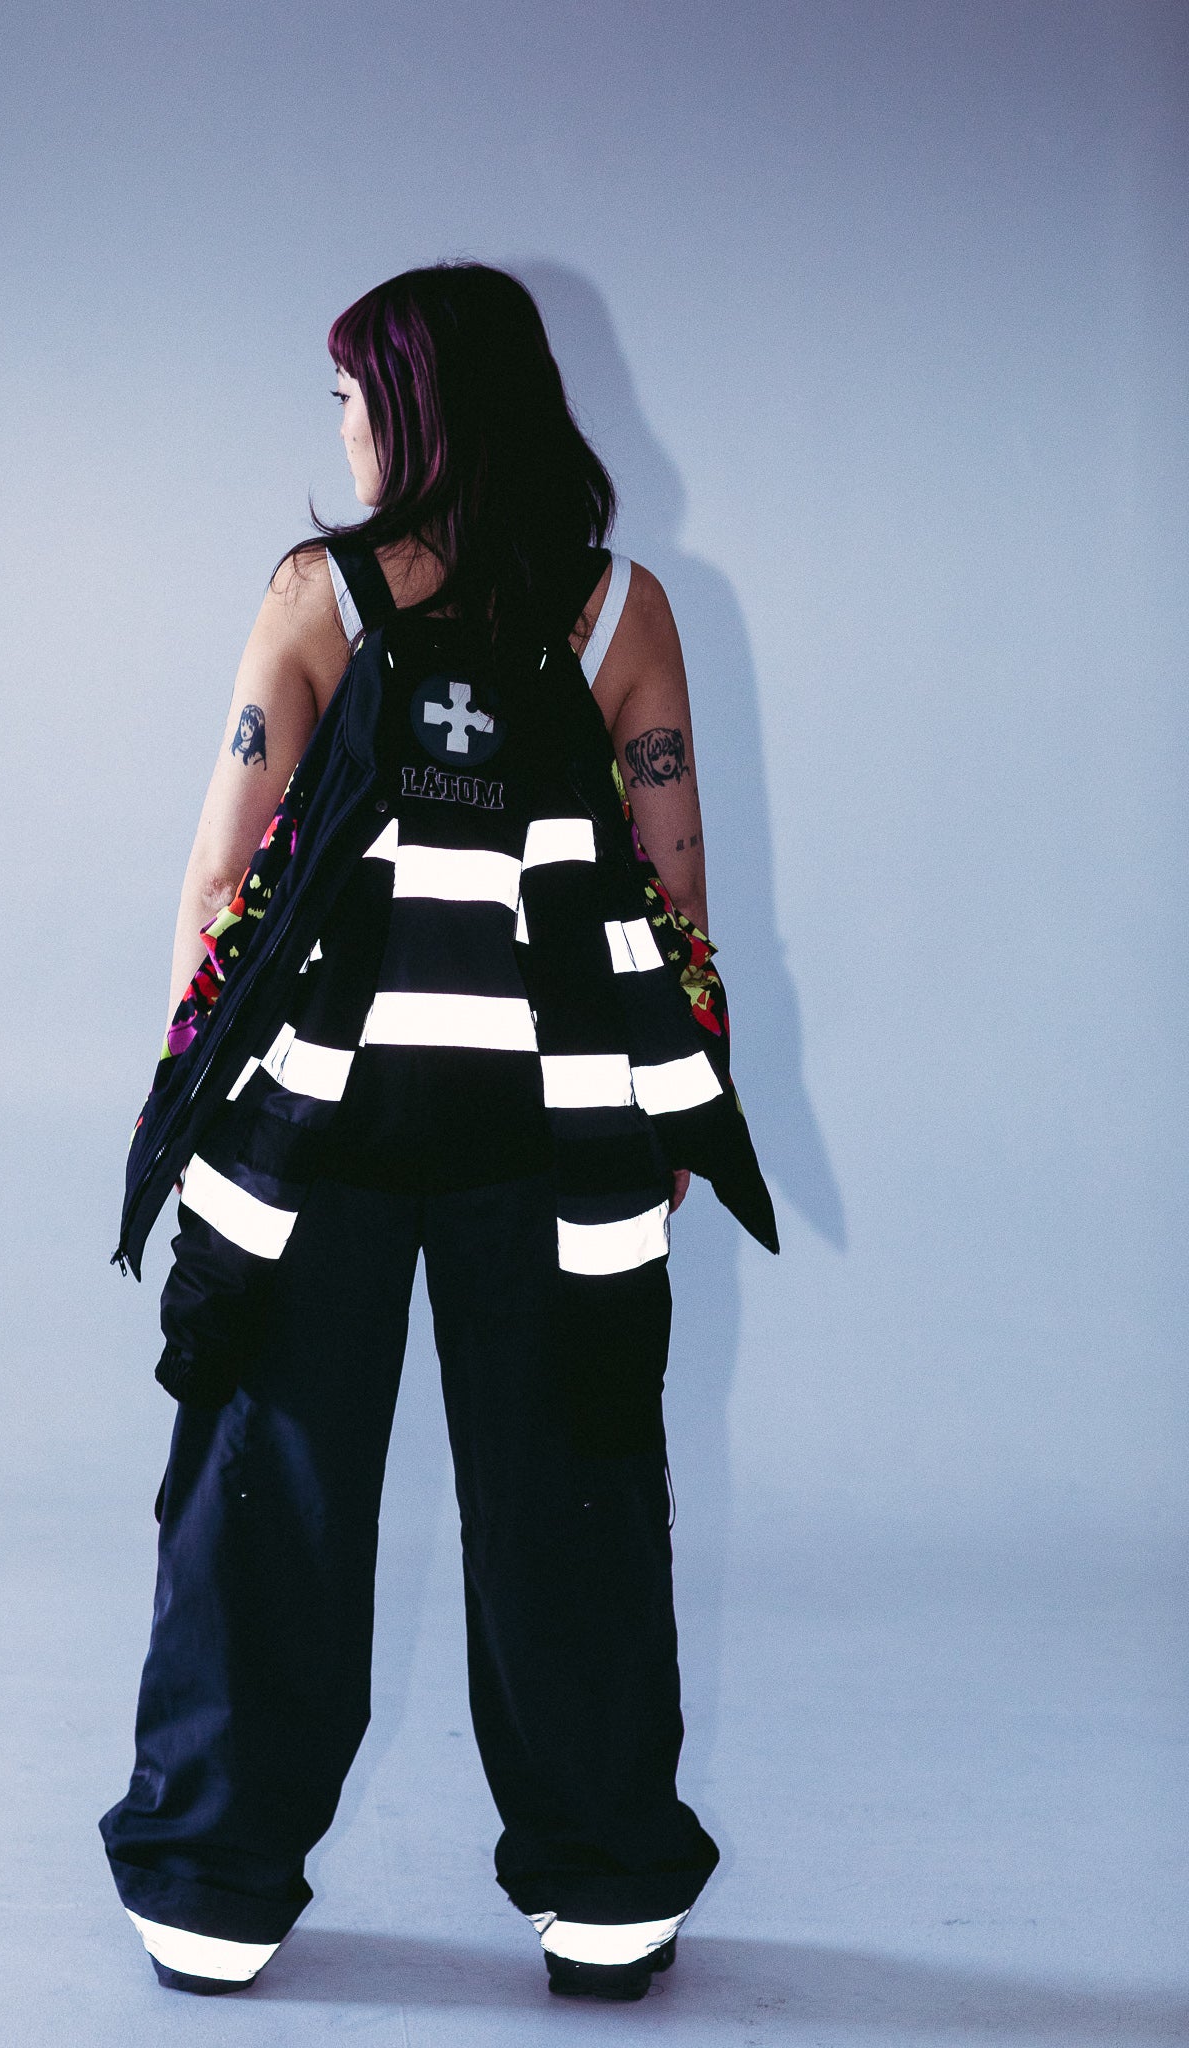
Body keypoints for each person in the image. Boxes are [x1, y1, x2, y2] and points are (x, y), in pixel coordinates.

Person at [99, 262, 776, 2004]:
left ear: (412, 407)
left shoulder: (315, 594)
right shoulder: (621, 610)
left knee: (269, 1490)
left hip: (312, 1127)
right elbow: (677, 888)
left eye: (349, 395)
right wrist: (675, 1107)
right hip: (558, 1131)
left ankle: (212, 1890)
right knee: (575, 1487)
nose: (336, 426)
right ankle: (607, 1894)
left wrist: (188, 1094)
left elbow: (221, 877)